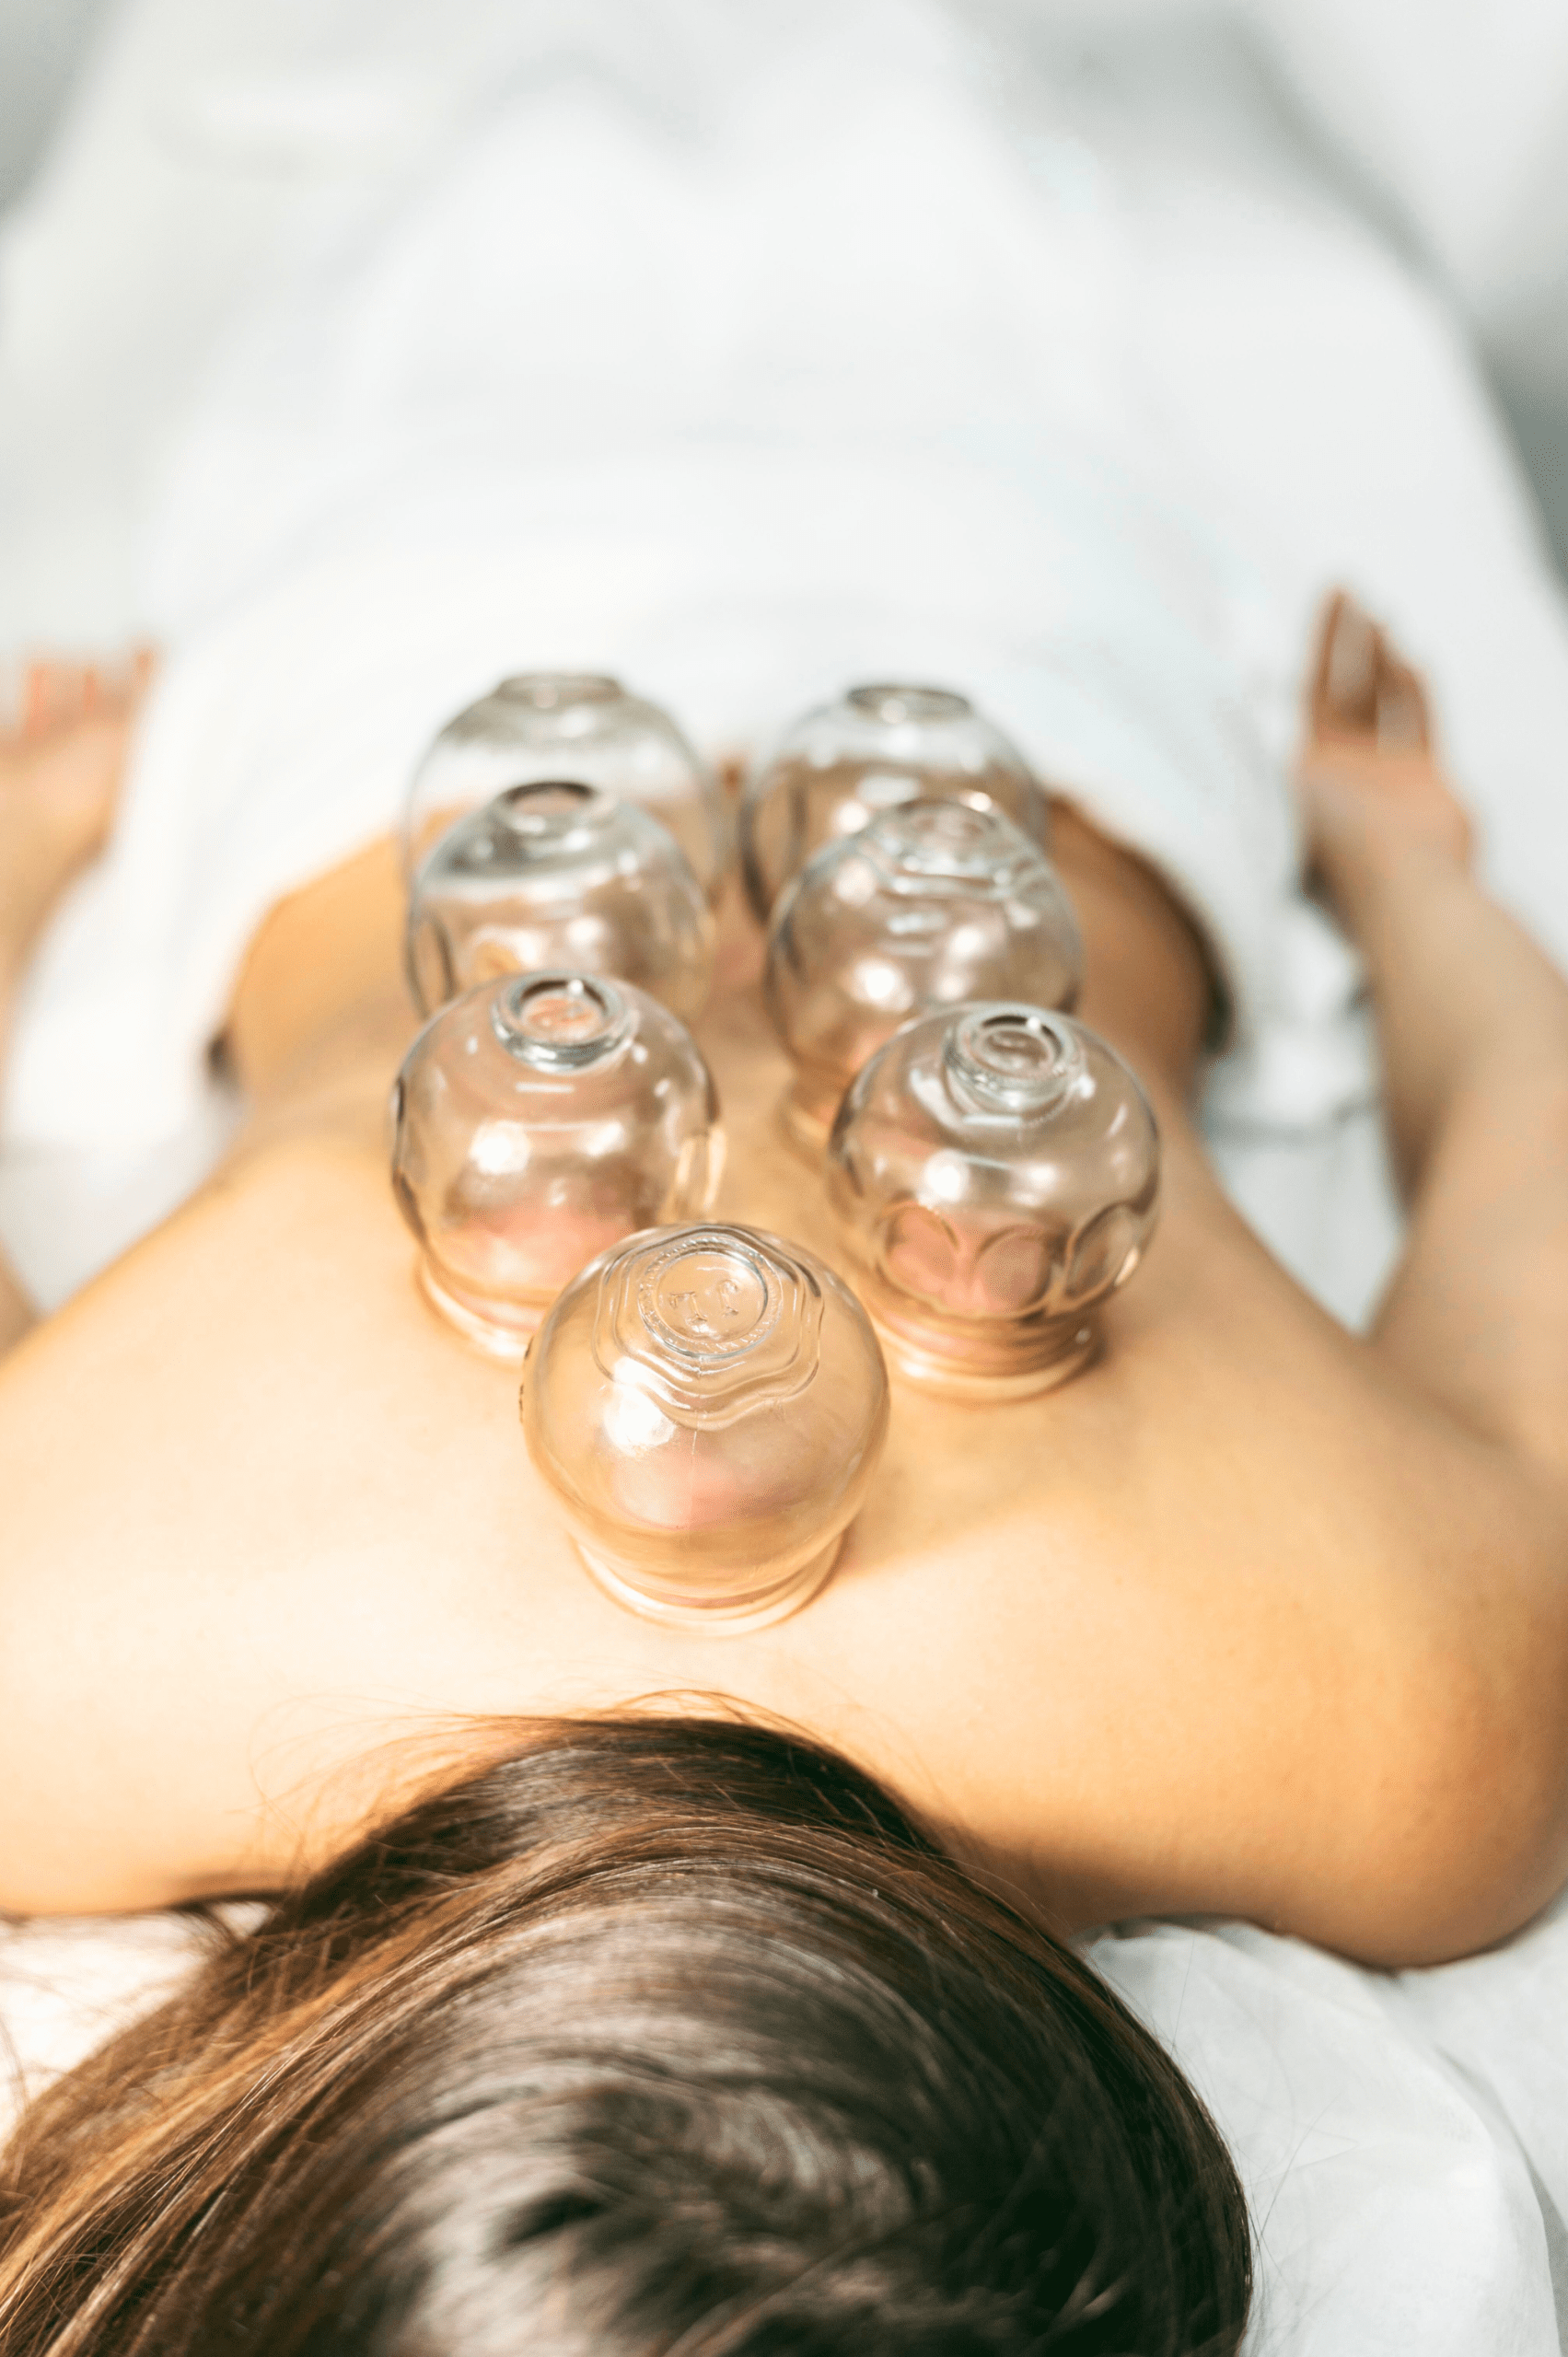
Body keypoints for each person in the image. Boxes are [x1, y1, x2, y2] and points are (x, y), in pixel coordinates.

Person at [0, 587, 1565, 2350]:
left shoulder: (1415, 1731)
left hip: (949, 685)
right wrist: (41, 827)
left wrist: (1388, 860)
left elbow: (1532, 1138)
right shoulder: (50, 1666)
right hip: (492, 685)